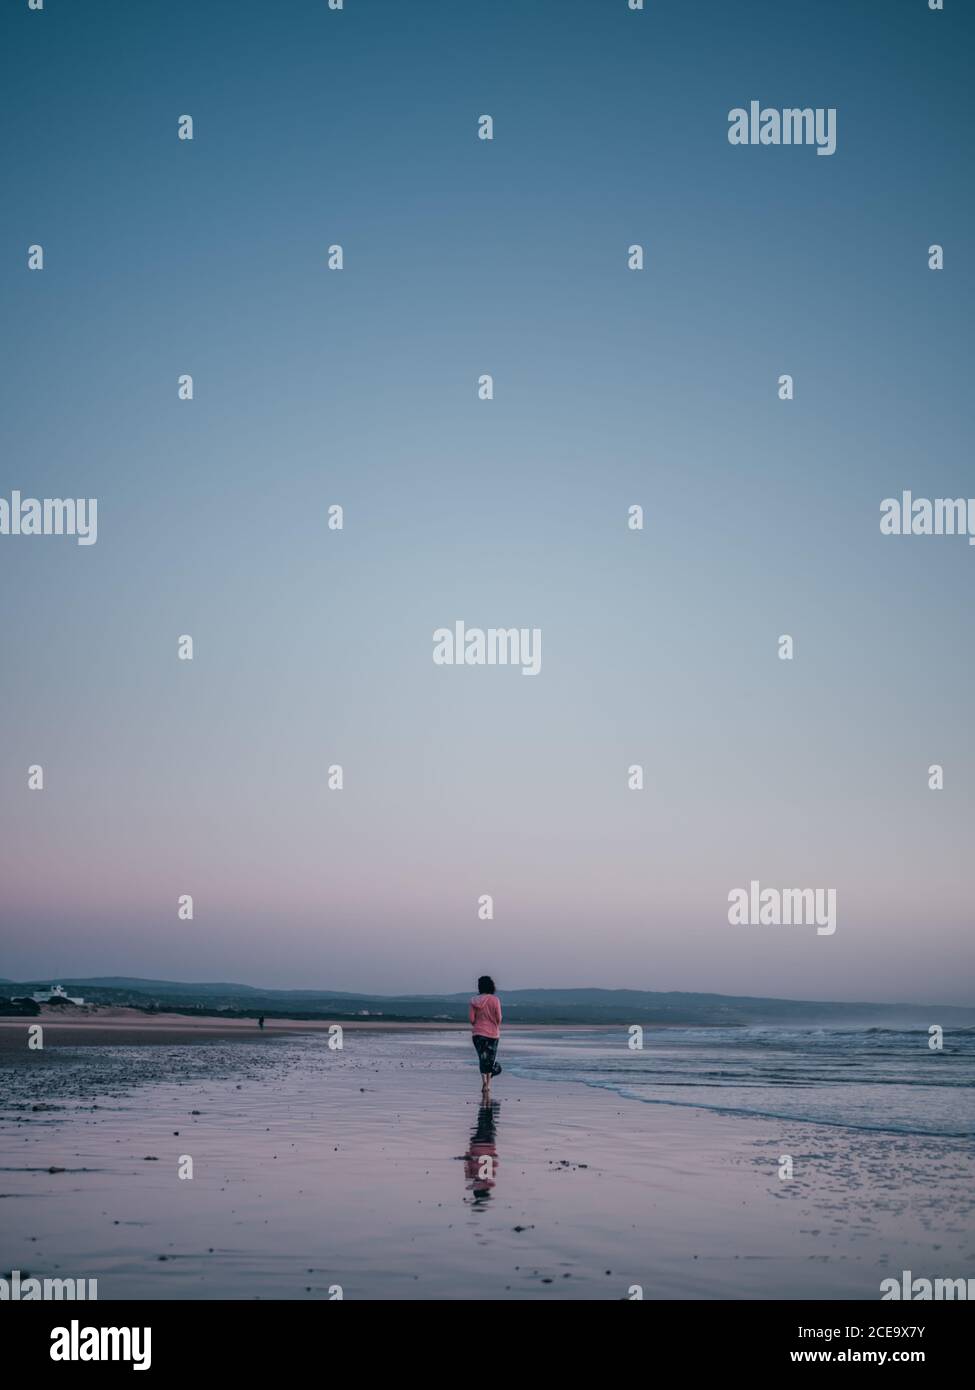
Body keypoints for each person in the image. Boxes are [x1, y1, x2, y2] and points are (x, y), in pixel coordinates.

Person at [469, 976, 502, 1097]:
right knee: (490, 1059)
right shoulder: (495, 1000)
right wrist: (495, 1025)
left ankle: (484, 1082)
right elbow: (499, 1018)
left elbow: (472, 1020)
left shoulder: (473, 1000)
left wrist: (479, 1023)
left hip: (478, 1033)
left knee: (482, 1059)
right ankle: (488, 1084)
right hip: (493, 1034)